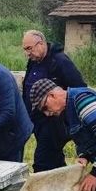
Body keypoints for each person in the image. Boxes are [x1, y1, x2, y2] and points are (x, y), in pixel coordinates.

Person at [21, 30, 87, 173]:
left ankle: (41, 190)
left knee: (42, 161)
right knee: (54, 159)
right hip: (37, 121)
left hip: (54, 121)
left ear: (41, 43)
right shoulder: (33, 63)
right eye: (25, 50)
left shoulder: (60, 61)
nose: (27, 53)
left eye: (29, 48)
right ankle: (61, 184)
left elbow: (80, 89)